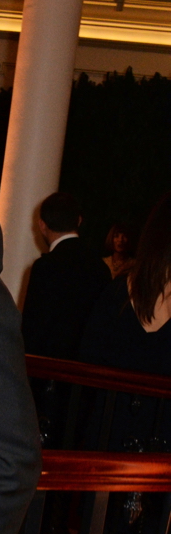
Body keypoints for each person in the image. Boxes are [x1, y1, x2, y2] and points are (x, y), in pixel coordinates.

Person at [81, 192, 171, 453]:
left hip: (110, 435)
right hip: (152, 450)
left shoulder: (118, 290)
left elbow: (89, 355)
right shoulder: (118, 291)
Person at [22, 191, 111, 364]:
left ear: (42, 225)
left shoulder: (45, 267)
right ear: (79, 220)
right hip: (86, 372)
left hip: (49, 371)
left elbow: (32, 329)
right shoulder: (100, 267)